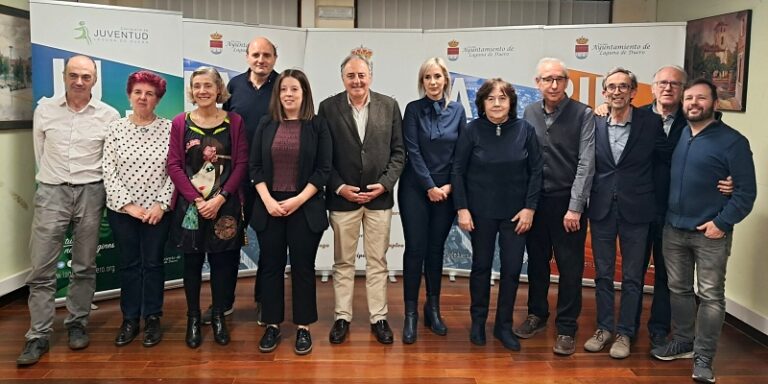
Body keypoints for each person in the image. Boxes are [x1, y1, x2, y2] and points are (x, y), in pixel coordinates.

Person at [593, 66, 733, 349]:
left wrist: (729, 177)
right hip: (640, 207)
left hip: (676, 210)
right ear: (652, 88)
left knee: (667, 276)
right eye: (662, 83)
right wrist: (603, 108)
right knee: (630, 271)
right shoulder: (640, 116)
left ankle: (657, 328)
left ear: (682, 90)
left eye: (674, 84)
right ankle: (619, 329)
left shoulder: (698, 121)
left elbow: (713, 151)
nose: (668, 88)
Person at [651, 78, 756, 384]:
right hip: (674, 229)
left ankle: (704, 356)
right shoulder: (683, 133)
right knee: (679, 290)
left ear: (715, 103)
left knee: (710, 296)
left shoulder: (733, 142)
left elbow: (746, 193)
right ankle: (684, 342)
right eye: (689, 99)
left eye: (701, 98)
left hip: (711, 233)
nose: (693, 103)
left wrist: (721, 223)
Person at [17, 55, 119, 366]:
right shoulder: (45, 110)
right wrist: (55, 181)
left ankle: (77, 324)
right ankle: (38, 335)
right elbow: (39, 151)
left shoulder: (109, 115)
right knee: (42, 269)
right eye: (73, 75)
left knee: (84, 266)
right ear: (64, 76)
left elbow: (110, 161)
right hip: (51, 191)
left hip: (91, 192)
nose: (78, 81)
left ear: (94, 80)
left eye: (85, 76)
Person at [319, 53, 405, 345]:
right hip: (343, 200)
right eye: (350, 75)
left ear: (371, 75)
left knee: (377, 262)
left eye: (361, 74)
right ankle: (342, 317)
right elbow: (323, 158)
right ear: (342, 78)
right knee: (343, 262)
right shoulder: (328, 108)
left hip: (379, 200)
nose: (357, 80)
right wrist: (339, 187)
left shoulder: (389, 106)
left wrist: (383, 185)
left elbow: (398, 153)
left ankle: (378, 317)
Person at [583, 67, 669, 359]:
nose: (616, 91)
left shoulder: (651, 122)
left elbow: (668, 159)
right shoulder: (594, 122)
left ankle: (625, 333)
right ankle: (604, 328)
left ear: (634, 92)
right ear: (604, 92)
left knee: (633, 277)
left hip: (638, 208)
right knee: (603, 275)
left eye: (623, 87)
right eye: (611, 87)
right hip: (602, 208)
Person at [453, 78, 543, 351]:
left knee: (512, 270)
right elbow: (457, 170)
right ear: (482, 103)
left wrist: (530, 208)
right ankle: (478, 323)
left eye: (502, 98)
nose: (496, 103)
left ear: (511, 103)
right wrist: (462, 208)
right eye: (491, 98)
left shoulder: (525, 130)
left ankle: (503, 326)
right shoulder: (472, 131)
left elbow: (536, 171)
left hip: (516, 215)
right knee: (480, 268)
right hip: (480, 214)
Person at [515, 58, 595, 356]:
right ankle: (537, 314)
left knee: (570, 267)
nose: (553, 84)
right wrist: (526, 203)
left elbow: (587, 162)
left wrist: (575, 207)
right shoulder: (529, 112)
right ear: (537, 83)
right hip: (536, 202)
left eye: (559, 79)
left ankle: (566, 327)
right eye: (547, 79)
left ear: (566, 82)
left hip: (567, 203)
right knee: (536, 262)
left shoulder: (583, 114)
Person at [249, 69, 332, 355]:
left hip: (304, 207)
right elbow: (255, 167)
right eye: (284, 89)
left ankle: (303, 327)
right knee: (270, 267)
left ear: (304, 93)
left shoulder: (318, 125)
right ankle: (272, 325)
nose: (288, 94)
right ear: (278, 93)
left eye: (294, 89)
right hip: (269, 206)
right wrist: (268, 200)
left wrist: (297, 200)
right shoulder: (265, 123)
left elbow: (323, 170)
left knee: (303, 269)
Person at [167, 67, 248, 348]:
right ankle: (192, 318)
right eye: (197, 86)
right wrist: (199, 200)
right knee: (191, 264)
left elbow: (241, 164)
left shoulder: (234, 122)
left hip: (224, 207)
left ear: (218, 90)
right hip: (191, 207)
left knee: (223, 265)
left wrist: (221, 198)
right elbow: (174, 165)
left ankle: (217, 316)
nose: (202, 90)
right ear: (191, 90)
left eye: (208, 86)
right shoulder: (181, 122)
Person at [399, 57, 467, 344]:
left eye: (438, 76)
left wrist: (449, 185)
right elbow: (411, 151)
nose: (433, 82)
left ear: (446, 80)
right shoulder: (413, 110)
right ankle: (411, 314)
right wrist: (430, 186)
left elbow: (461, 153)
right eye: (428, 77)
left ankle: (433, 309)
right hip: (415, 189)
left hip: (447, 192)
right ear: (422, 81)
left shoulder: (458, 111)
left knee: (436, 251)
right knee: (416, 250)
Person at [103, 70, 173, 348]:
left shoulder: (171, 128)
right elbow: (108, 170)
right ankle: (130, 319)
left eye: (150, 94)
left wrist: (161, 204)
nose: (143, 97)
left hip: (158, 212)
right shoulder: (115, 128)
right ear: (130, 96)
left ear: (157, 99)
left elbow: (175, 170)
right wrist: (129, 206)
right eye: (138, 92)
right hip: (123, 212)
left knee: (153, 265)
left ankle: (153, 317)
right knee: (130, 265)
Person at [221, 36, 280, 325]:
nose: (261, 60)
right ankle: (224, 302)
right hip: (236, 179)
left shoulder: (283, 86)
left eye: (266, 55)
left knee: (269, 245)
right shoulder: (234, 87)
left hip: (272, 181)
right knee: (229, 240)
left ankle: (263, 300)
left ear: (274, 59)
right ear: (246, 57)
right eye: (256, 54)